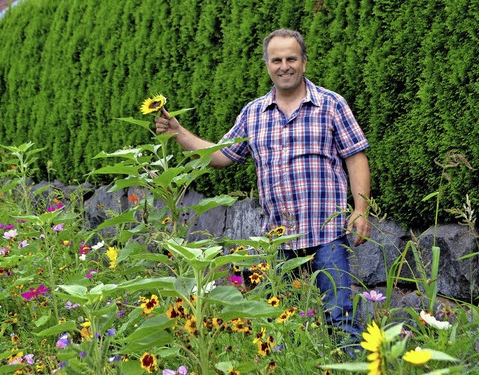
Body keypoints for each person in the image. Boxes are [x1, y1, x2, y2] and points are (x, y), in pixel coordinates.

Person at [155, 28, 371, 345]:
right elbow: (220, 155)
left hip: (328, 235)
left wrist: (361, 210)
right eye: (277, 59)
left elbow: (356, 157)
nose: (284, 65)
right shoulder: (254, 113)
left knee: (339, 319)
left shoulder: (331, 105)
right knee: (277, 325)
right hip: (277, 240)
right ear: (268, 65)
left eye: (291, 58)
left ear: (304, 62)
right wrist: (177, 131)